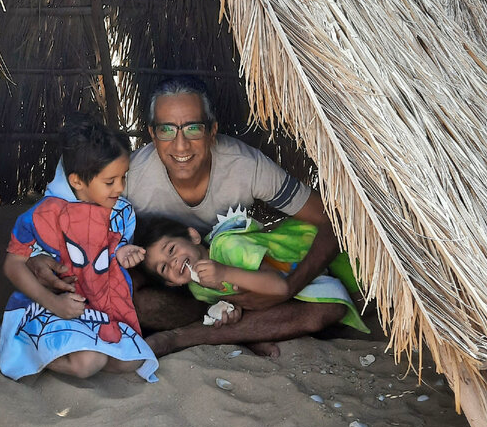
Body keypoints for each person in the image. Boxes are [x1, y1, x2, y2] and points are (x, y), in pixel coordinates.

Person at [124, 76, 358, 356]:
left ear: (212, 131)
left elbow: (330, 220)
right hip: (188, 292)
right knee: (134, 294)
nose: (181, 145)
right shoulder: (130, 179)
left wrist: (288, 288)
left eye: (193, 128)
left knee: (324, 311)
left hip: (246, 279)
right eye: (166, 130)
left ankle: (183, 337)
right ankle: (238, 327)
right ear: (152, 134)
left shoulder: (246, 167)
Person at [0, 115, 158, 382]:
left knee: (132, 360)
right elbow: (13, 265)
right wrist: (55, 303)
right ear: (77, 181)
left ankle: (71, 348)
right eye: (110, 181)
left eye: (123, 177)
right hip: (49, 303)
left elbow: (107, 257)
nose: (121, 188)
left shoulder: (122, 212)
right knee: (87, 364)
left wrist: (122, 253)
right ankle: (21, 344)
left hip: (99, 306)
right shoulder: (41, 216)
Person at [135, 210, 368, 335]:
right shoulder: (197, 289)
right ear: (171, 284)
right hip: (298, 279)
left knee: (364, 295)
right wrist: (232, 309)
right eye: (164, 268)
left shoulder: (227, 248)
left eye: (172, 250)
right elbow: (239, 297)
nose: (174, 263)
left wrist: (225, 272)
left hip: (309, 248)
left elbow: (280, 287)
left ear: (194, 236)